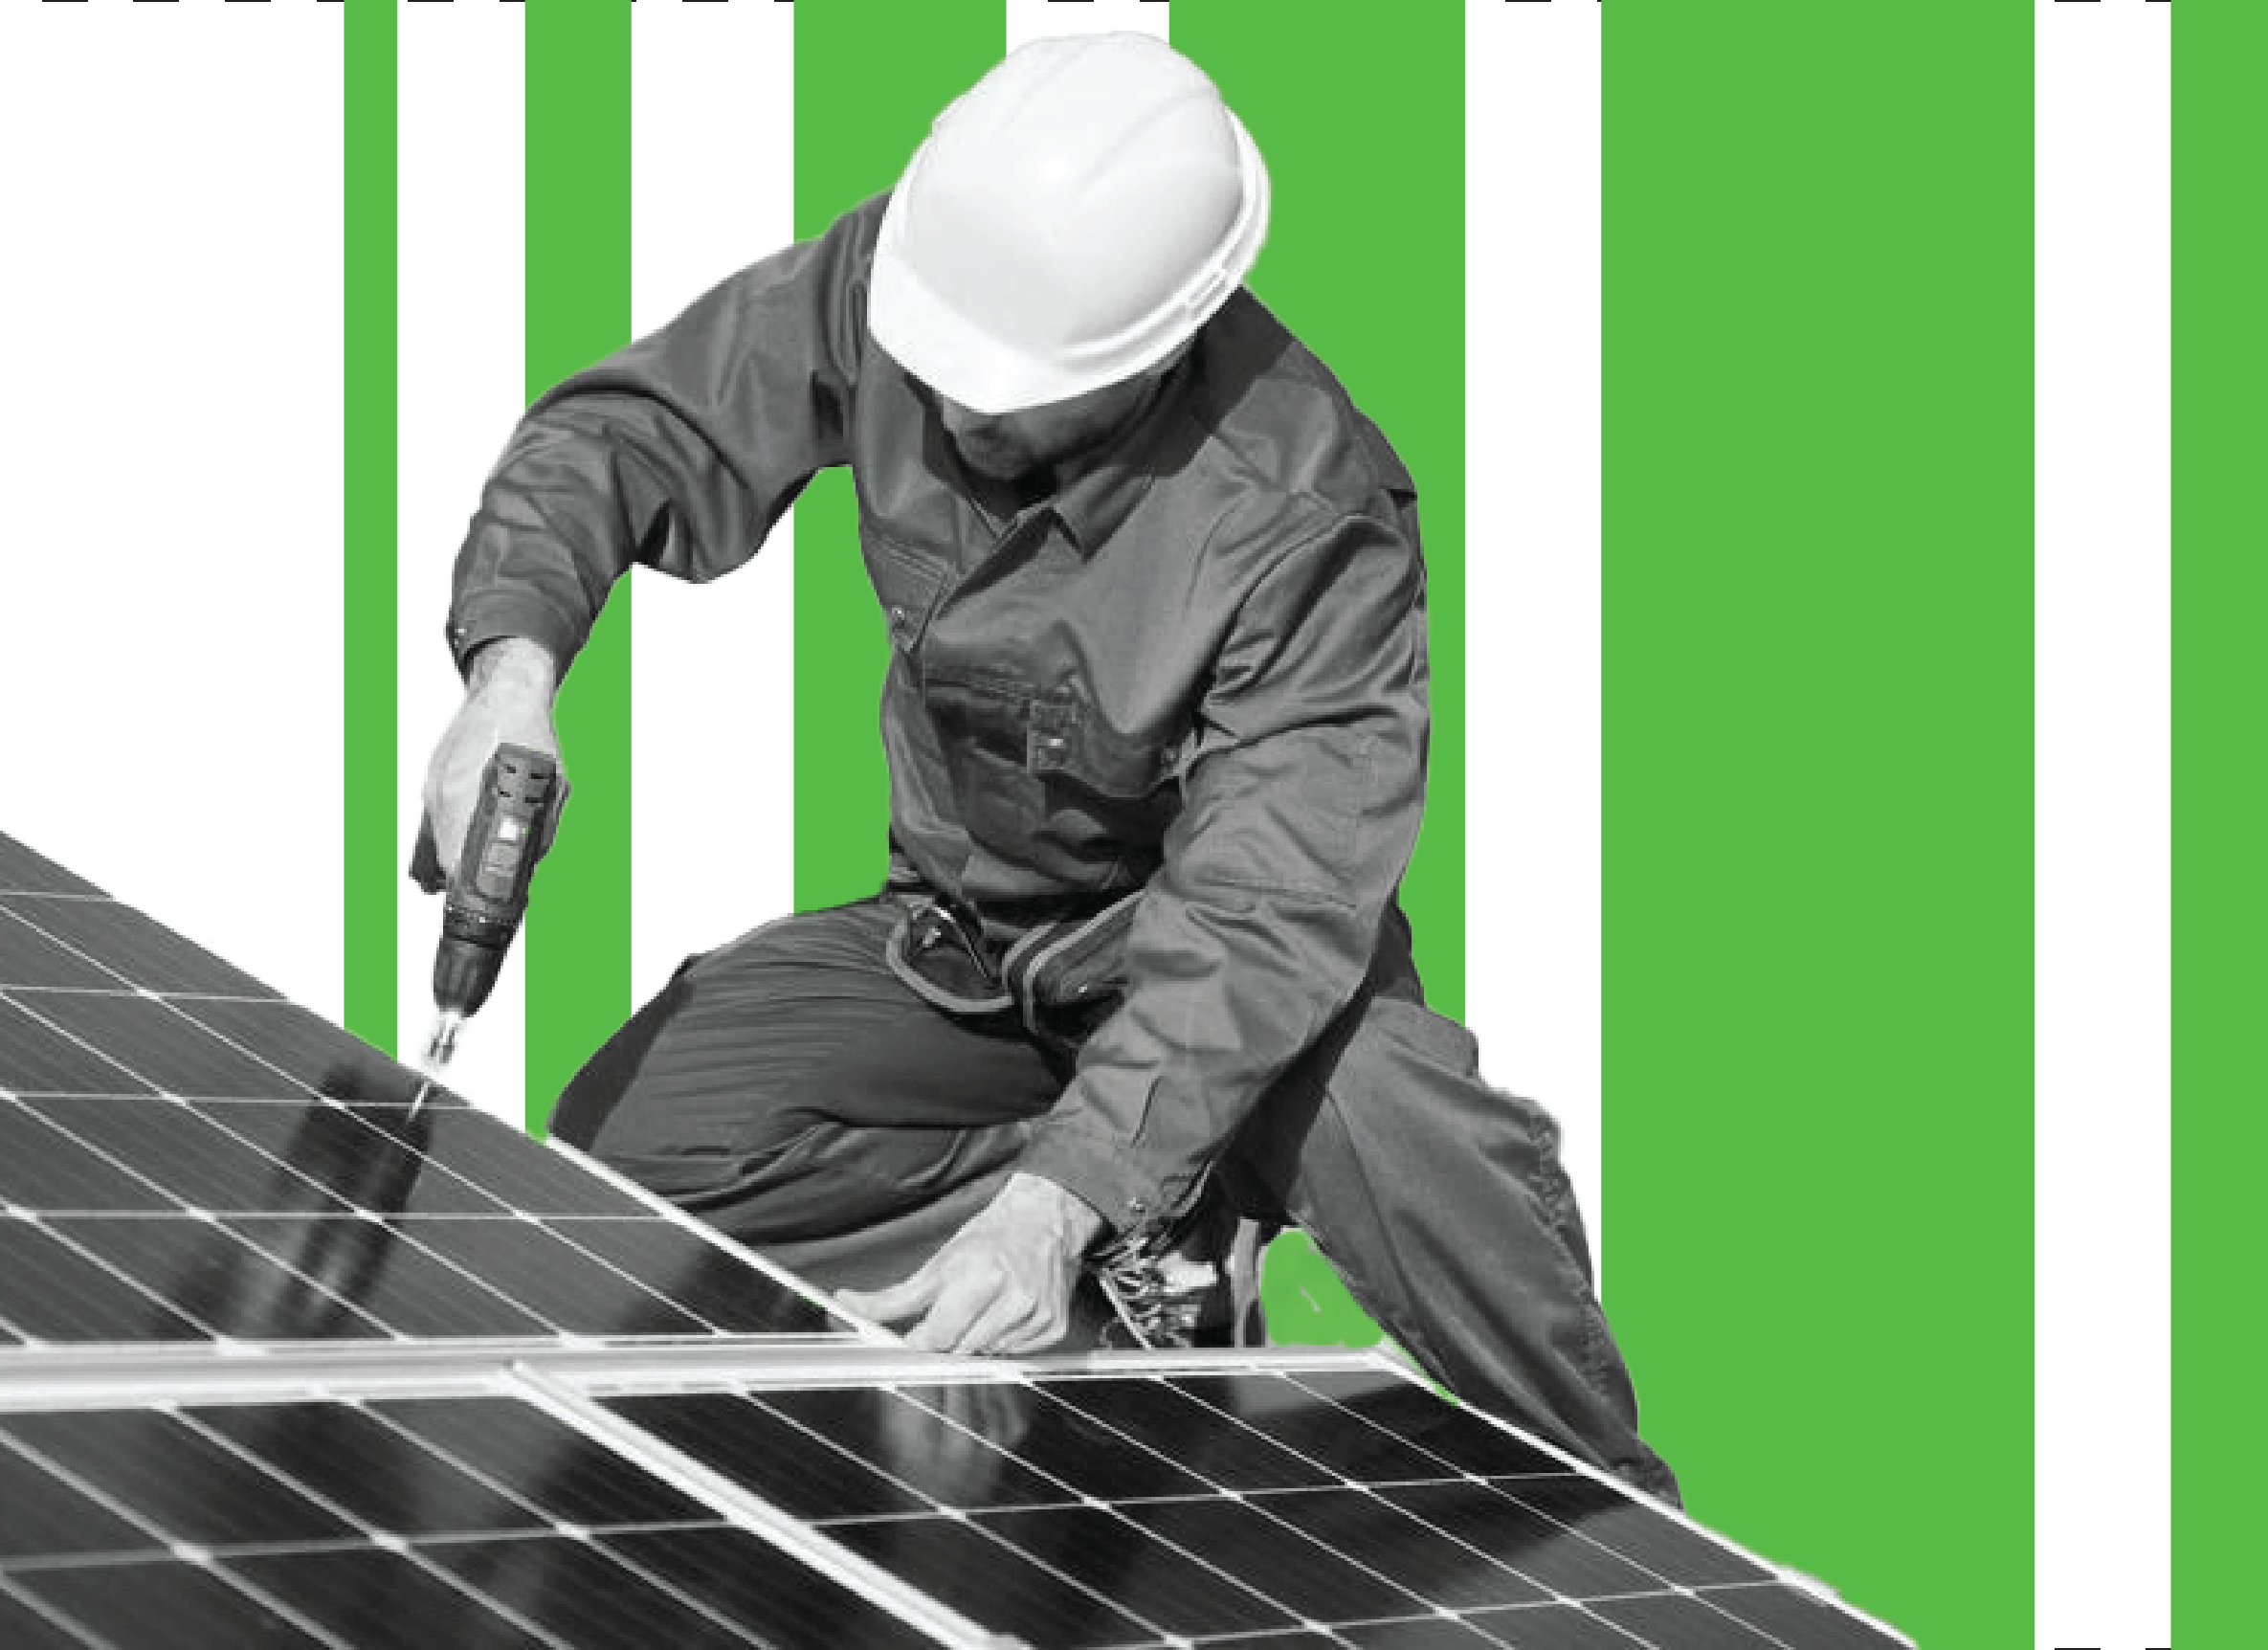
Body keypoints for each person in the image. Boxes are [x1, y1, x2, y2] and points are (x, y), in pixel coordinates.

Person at [411, 33, 1665, 1498]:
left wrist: (1068, 1194)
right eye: (936, 375)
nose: (953, 413)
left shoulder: (1306, 519)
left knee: (1419, 1158)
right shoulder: (924, 283)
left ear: (1157, 348)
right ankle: (1148, 1240)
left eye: (1009, 397)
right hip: (968, 955)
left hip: (1227, 995)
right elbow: (636, 430)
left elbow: (1262, 916)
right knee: (632, 1141)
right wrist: (513, 674)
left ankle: (1637, 1542)